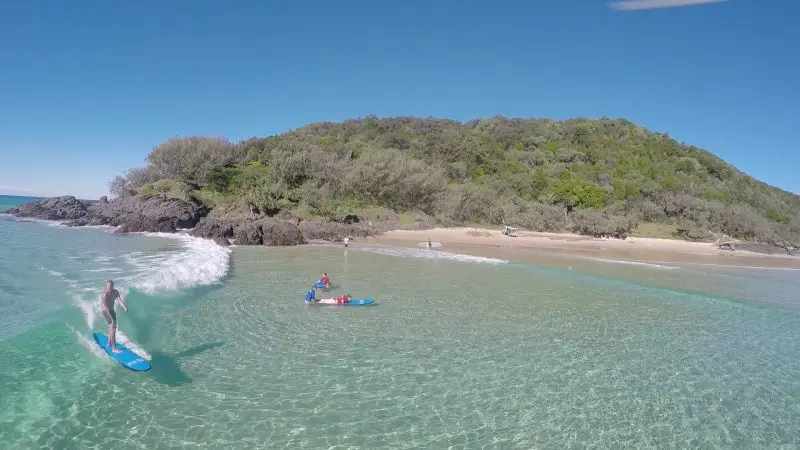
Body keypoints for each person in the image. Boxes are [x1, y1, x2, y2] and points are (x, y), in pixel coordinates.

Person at [100, 280, 127, 353]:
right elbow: (106, 307)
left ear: (113, 285)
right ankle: (114, 348)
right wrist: (111, 317)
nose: (109, 287)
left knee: (111, 327)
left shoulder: (115, 292)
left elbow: (119, 300)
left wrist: (124, 307)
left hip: (112, 311)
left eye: (111, 286)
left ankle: (109, 343)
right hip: (106, 312)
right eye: (108, 286)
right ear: (106, 286)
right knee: (113, 330)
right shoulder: (104, 294)